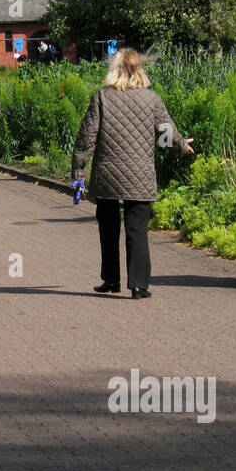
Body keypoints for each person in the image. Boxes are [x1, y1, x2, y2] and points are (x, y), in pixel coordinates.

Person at [72, 48, 193, 299]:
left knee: (108, 227)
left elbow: (87, 139)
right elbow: (165, 133)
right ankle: (138, 285)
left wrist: (79, 172)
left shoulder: (102, 97)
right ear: (139, 69)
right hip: (140, 175)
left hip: (107, 174)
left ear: (114, 69)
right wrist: (182, 146)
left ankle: (110, 280)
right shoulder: (152, 99)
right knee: (137, 230)